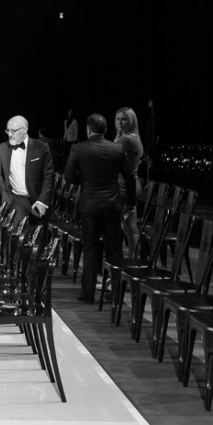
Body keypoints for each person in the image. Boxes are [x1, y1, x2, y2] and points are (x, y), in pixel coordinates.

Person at [63, 112, 136, 304]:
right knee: (115, 250)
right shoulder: (117, 148)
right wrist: (131, 202)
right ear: (105, 129)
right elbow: (130, 177)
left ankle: (88, 293)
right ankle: (116, 294)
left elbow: (68, 177)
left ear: (88, 129)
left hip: (89, 204)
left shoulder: (78, 148)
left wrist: (85, 181)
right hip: (112, 204)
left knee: (91, 248)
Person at [0, 115, 54, 228]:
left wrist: (42, 201)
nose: (9, 134)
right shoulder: (3, 147)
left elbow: (48, 177)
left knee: (37, 236)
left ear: (25, 129)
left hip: (37, 200)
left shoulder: (41, 147)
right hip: (15, 200)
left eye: (13, 131)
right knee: (16, 234)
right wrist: (6, 193)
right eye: (8, 130)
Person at [115, 106, 145, 258]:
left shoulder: (126, 139)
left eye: (124, 119)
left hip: (124, 187)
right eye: (118, 119)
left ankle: (130, 261)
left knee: (128, 229)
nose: (120, 122)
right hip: (131, 185)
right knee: (130, 229)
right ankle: (133, 260)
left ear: (131, 121)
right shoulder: (134, 137)